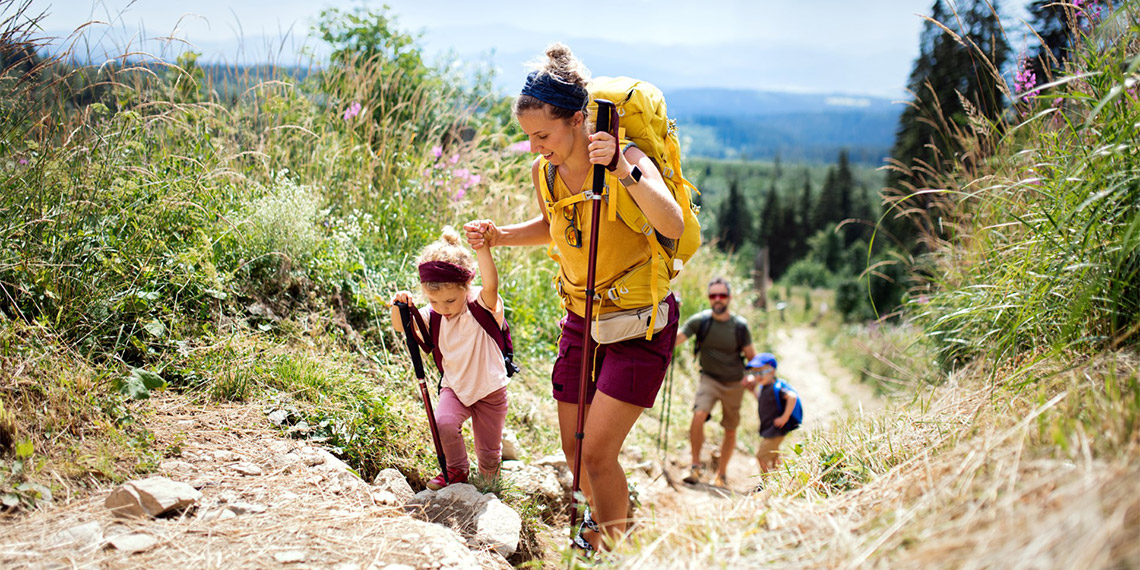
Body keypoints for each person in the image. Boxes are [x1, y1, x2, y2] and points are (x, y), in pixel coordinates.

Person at [463, 42, 683, 553]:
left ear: (579, 119)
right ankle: (604, 526)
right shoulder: (546, 170)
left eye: (543, 135)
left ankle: (612, 550)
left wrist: (625, 173)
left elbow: (670, 221)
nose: (536, 147)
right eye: (529, 138)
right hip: (582, 318)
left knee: (599, 454)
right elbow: (555, 224)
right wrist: (500, 236)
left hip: (639, 323)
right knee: (575, 450)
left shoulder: (625, 157)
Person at [390, 227, 508, 490]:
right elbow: (401, 326)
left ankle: (490, 483)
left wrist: (482, 249)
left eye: (450, 301)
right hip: (455, 386)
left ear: (466, 287)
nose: (443, 308)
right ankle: (456, 470)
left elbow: (491, 284)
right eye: (434, 301)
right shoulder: (434, 314)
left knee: (489, 451)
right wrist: (398, 305)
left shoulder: (480, 304)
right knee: (443, 422)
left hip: (490, 389)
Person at [674, 277, 757, 487]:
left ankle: (722, 474)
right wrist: (670, 316)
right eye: (713, 296)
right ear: (709, 298)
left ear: (729, 298)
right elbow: (676, 339)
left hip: (734, 384)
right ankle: (695, 467)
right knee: (698, 414)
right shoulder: (700, 321)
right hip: (709, 379)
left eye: (722, 295)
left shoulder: (739, 326)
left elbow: (752, 359)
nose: (717, 299)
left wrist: (752, 376)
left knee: (730, 429)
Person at [745, 352, 801, 473]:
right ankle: (779, 478)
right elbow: (762, 401)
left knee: (761, 456)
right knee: (774, 456)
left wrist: (784, 417)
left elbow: (792, 397)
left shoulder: (776, 387)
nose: (758, 377)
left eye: (761, 372)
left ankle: (766, 482)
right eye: (754, 373)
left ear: (772, 371)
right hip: (770, 428)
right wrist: (753, 391)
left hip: (776, 429)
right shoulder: (764, 388)